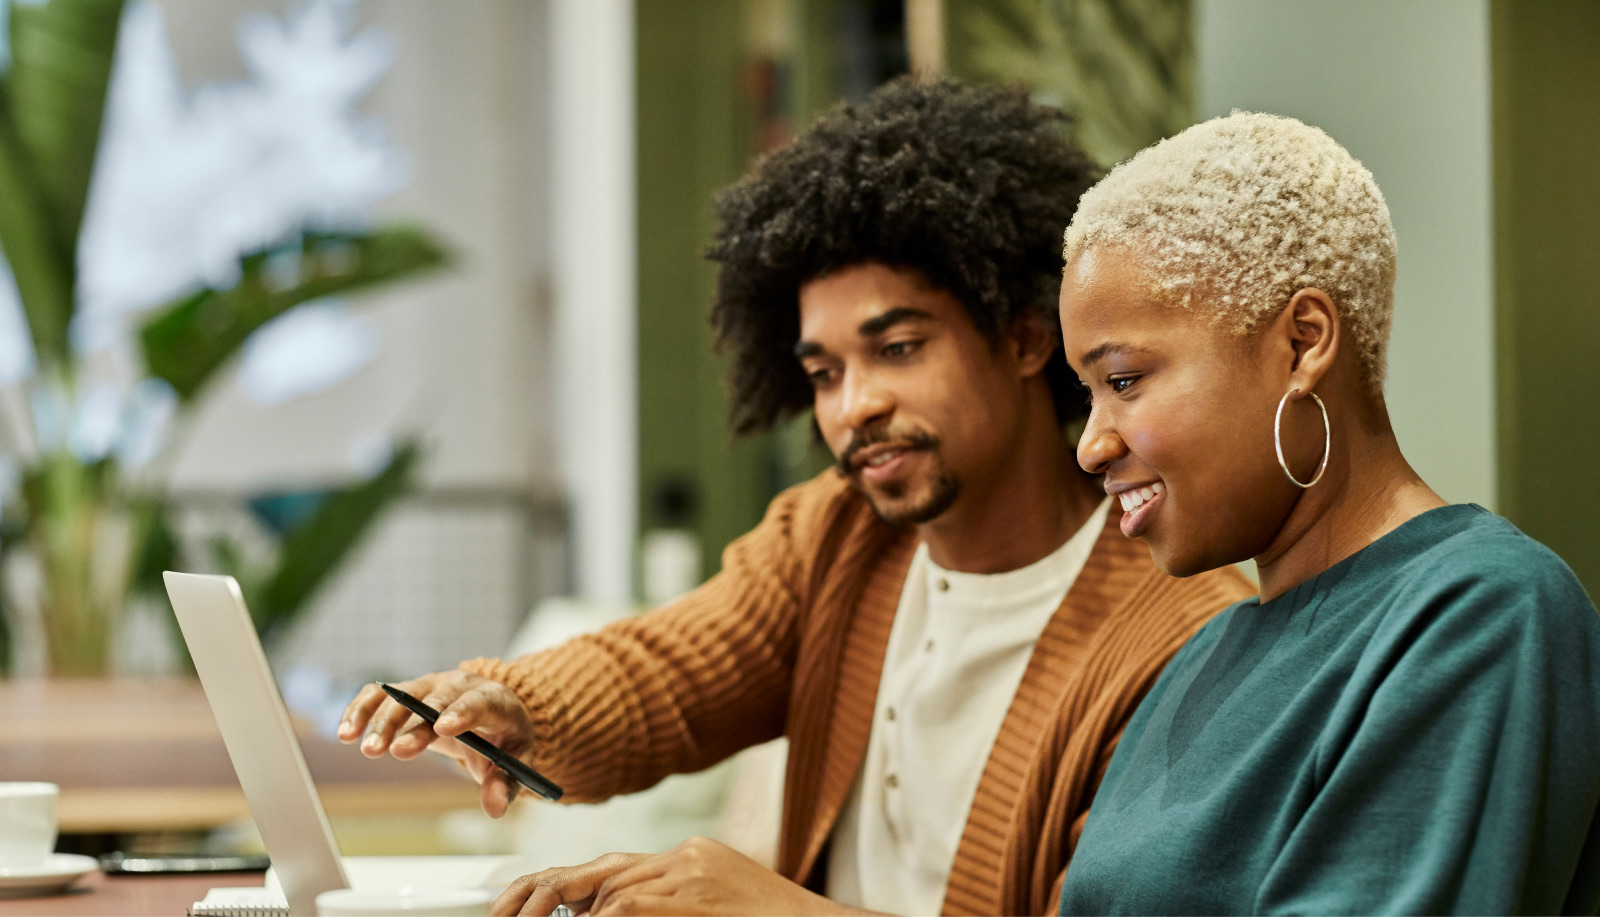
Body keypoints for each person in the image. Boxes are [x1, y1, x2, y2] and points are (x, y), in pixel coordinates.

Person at [341, 79, 1253, 917]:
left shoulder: (1184, 635)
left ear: (1022, 338)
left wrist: (775, 909)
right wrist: (513, 703)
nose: (855, 406)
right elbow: (663, 669)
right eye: (823, 371)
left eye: (898, 348)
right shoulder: (839, 534)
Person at [1053, 110, 1600, 915]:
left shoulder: (1482, 613)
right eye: (1088, 393)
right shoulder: (1200, 660)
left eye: (1126, 380)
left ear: (1304, 342)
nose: (1092, 446)